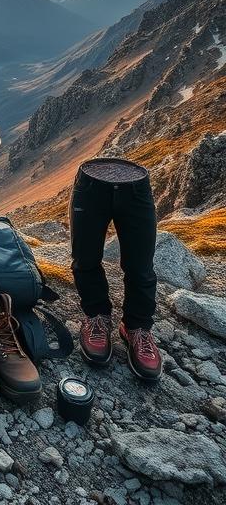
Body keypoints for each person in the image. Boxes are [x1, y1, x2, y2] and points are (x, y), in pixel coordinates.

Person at [69, 158, 162, 381]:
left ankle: (137, 328)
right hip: (90, 188)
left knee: (140, 267)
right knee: (85, 259)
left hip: (137, 191)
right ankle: (96, 317)